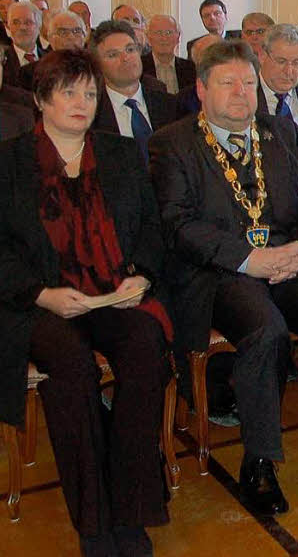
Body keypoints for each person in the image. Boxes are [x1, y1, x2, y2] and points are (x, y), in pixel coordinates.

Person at [148, 40, 298, 515]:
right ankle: (258, 461)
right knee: (266, 332)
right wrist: (247, 259)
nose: (241, 93)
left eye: (246, 82)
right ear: (200, 89)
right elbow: (178, 225)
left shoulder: (280, 132)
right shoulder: (172, 143)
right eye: (227, 83)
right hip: (219, 271)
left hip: (288, 257)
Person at [0, 49, 172, 556]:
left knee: (146, 350)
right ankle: (93, 521)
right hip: (40, 302)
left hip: (112, 294)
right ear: (40, 99)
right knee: (71, 370)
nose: (82, 102)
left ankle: (131, 506)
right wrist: (42, 294)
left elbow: (149, 231)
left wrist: (139, 278)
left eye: (91, 93)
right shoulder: (9, 161)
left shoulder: (119, 153)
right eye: (69, 91)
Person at [90, 20, 178, 159]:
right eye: (113, 54)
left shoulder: (172, 107)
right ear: (97, 65)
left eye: (130, 49)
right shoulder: (92, 116)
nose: (126, 58)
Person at [17, 9, 88, 89]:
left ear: (85, 37)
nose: (70, 37)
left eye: (77, 31)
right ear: (50, 38)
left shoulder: (94, 69)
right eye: (63, 32)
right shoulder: (30, 73)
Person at [142, 14, 196, 95]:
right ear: (149, 38)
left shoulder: (190, 68)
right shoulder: (139, 67)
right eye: (158, 33)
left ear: (178, 38)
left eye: (169, 32)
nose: (164, 38)